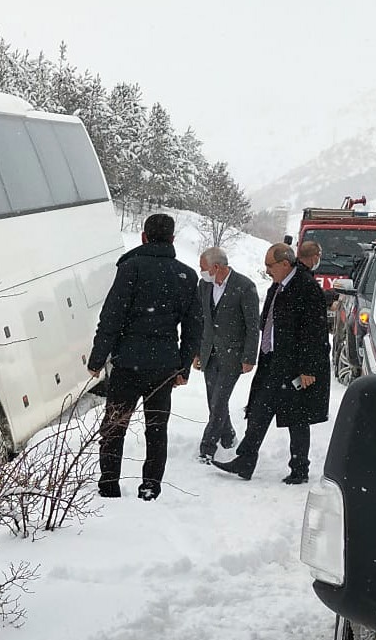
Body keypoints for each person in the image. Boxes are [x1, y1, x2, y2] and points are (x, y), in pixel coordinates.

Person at [88, 213, 202, 500]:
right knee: (156, 427)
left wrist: (98, 358)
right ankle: (150, 486)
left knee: (115, 425)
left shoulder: (131, 268)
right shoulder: (187, 276)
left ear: (143, 236)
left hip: (128, 362)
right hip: (163, 365)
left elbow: (111, 316)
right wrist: (183, 367)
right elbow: (193, 327)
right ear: (173, 239)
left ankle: (109, 484)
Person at [213, 244, 330, 484]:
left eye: (270, 265)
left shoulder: (306, 287)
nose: (267, 270)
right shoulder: (278, 286)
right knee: (259, 411)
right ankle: (245, 460)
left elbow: (315, 332)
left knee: (297, 418)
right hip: (273, 360)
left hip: (294, 364)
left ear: (285, 264)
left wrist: (308, 369)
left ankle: (300, 469)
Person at [193, 247, 259, 460]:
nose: (201, 271)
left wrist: (249, 357)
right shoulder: (204, 285)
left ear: (217, 267)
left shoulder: (244, 286)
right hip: (209, 352)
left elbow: (252, 324)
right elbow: (200, 319)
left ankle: (207, 448)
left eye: (203, 268)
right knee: (213, 398)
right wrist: (197, 352)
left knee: (219, 400)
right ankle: (228, 436)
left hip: (233, 354)